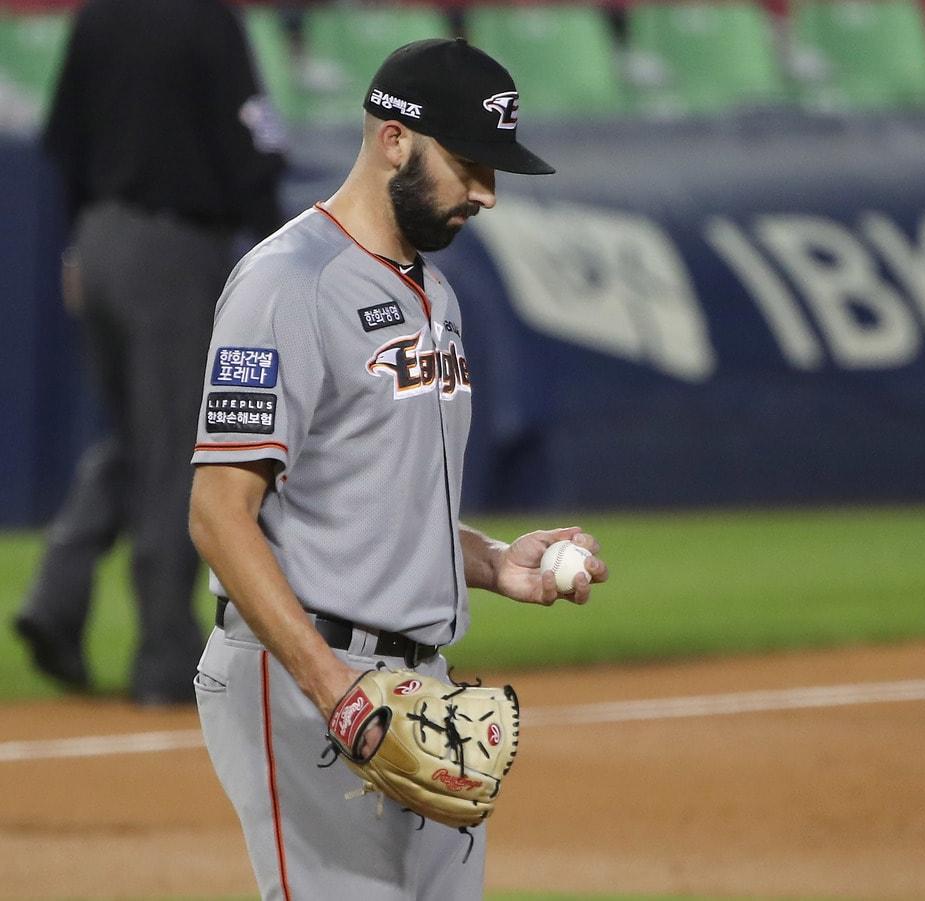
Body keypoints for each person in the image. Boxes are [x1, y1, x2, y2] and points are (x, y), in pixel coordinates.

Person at [187, 39, 608, 900]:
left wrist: (492, 561)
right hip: (306, 676)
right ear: (393, 139)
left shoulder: (435, 292)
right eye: (469, 163)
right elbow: (218, 513)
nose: (486, 192)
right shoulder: (286, 284)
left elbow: (367, 495)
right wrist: (335, 691)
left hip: (422, 688)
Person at [14, 0, 286, 704]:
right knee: (175, 452)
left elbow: (63, 140)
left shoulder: (99, 15)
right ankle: (166, 657)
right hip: (173, 249)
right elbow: (251, 151)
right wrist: (286, 262)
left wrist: (80, 242)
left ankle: (56, 596)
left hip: (101, 239)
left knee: (139, 439)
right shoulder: (207, 19)